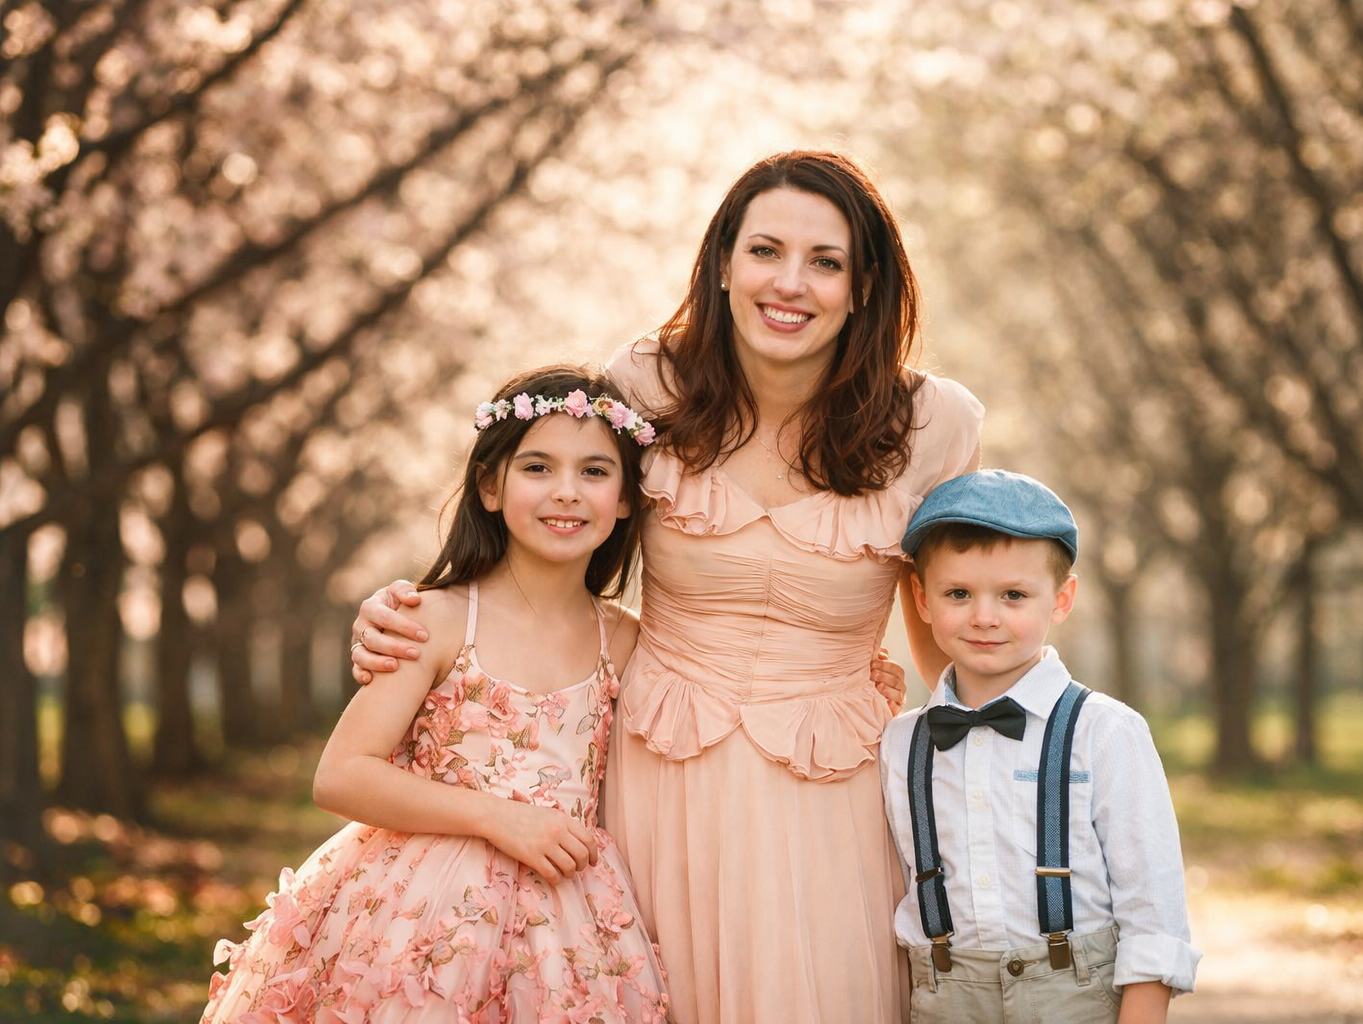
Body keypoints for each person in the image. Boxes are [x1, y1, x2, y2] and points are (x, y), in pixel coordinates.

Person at [352, 150, 984, 1023]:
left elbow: (944, 616)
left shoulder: (935, 422)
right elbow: (557, 531)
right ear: (723, 264)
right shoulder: (650, 383)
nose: (789, 284)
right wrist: (415, 605)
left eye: (825, 262)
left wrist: (1004, 747)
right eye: (764, 251)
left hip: (832, 783)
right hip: (657, 771)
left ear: (865, 285)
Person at [202, 365, 670, 1024]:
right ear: (489, 485)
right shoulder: (436, 620)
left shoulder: (624, 640)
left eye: (595, 471)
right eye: (537, 468)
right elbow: (341, 776)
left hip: (571, 922)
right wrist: (499, 818)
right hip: (424, 914)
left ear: (625, 498)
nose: (567, 492)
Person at [881, 470, 1201, 1024]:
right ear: (921, 597)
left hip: (1078, 998)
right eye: (958, 593)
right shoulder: (899, 743)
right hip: (943, 1000)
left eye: (1013, 595)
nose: (984, 616)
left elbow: (1154, 916)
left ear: (1062, 598)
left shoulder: (1106, 732)